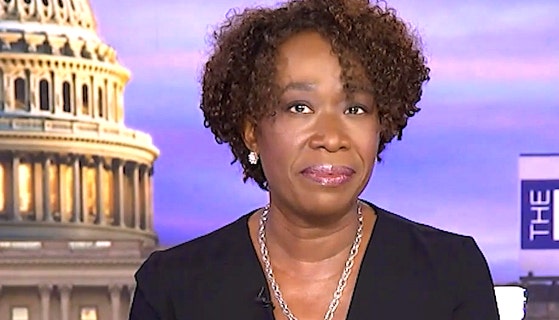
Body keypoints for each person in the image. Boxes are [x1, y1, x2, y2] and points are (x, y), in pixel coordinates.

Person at [129, 0, 500, 319]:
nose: (331, 137)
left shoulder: (451, 273)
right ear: (251, 130)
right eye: (299, 107)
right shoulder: (173, 289)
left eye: (355, 108)